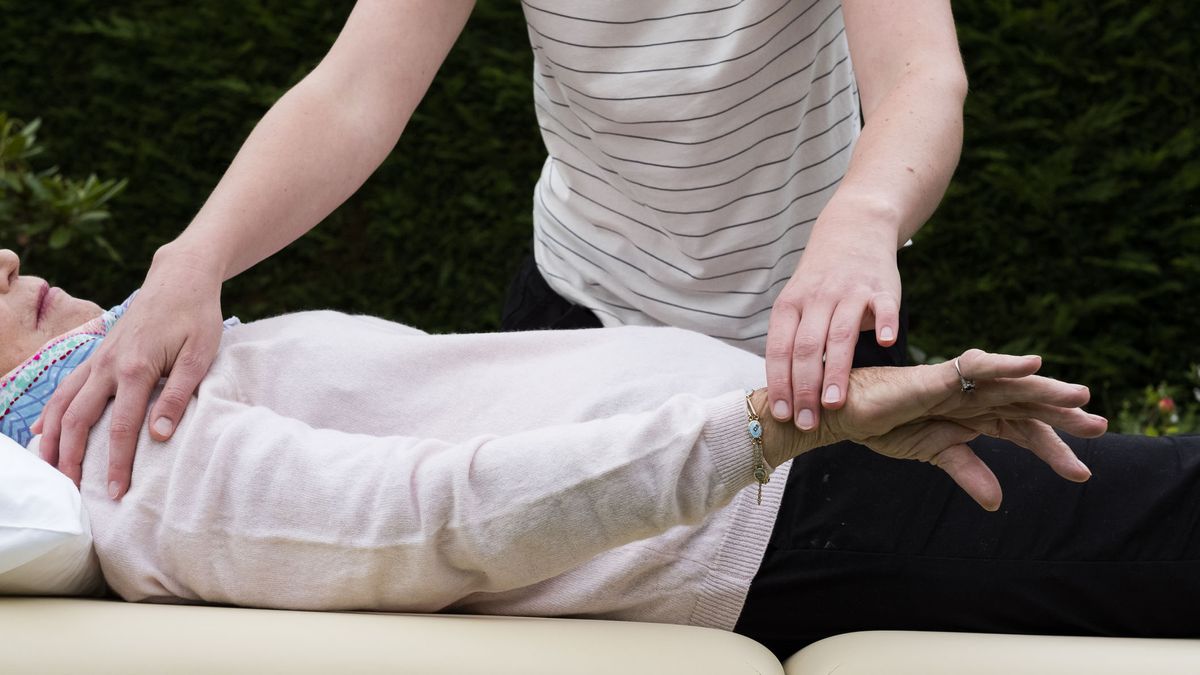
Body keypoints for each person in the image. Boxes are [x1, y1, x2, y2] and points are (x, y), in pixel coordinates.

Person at [3, 250, 1198, 659]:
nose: (5, 265)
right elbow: (442, 518)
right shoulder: (135, 466)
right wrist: (787, 426)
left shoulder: (132, 391)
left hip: (794, 471)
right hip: (786, 508)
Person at [33, 0, 970, 498]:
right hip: (577, 318)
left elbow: (921, 76)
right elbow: (354, 94)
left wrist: (865, 217)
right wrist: (195, 256)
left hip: (809, 326)